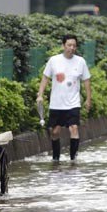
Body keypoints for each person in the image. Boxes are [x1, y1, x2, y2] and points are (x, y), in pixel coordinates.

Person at [37, 34, 92, 162]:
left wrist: (89, 99)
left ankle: (73, 158)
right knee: (55, 132)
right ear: (63, 46)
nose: (71, 48)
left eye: (74, 46)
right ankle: (56, 158)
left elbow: (87, 81)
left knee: (74, 128)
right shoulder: (54, 60)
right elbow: (45, 78)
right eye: (69, 45)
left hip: (73, 103)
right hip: (56, 103)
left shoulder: (80, 61)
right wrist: (40, 94)